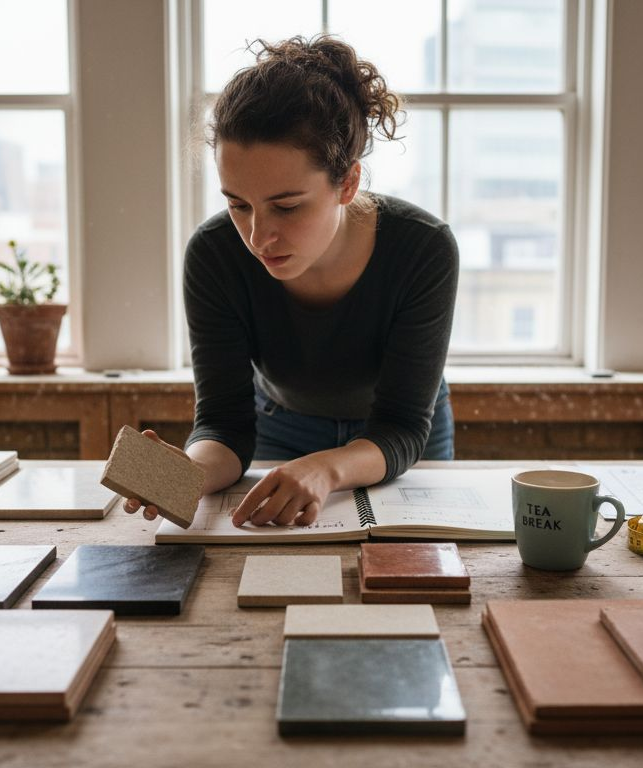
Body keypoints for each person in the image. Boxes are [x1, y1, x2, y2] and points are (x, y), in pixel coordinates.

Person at [123, 35, 459, 527]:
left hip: (400, 440)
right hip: (279, 428)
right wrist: (184, 472)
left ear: (347, 183)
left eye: (286, 206)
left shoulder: (424, 249)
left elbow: (403, 426)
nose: (259, 236)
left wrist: (325, 467)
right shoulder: (214, 255)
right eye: (238, 204)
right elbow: (224, 423)